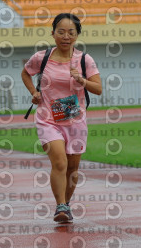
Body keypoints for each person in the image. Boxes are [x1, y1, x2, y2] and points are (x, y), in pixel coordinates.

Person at [21, 13, 102, 223]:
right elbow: (25, 73)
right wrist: (34, 92)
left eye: (71, 32)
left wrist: (82, 80)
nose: (66, 36)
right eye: (61, 32)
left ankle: (66, 203)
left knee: (73, 168)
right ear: (53, 33)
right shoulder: (42, 57)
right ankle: (60, 206)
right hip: (48, 119)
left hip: (75, 120)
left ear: (77, 35)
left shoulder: (84, 60)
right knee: (59, 162)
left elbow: (98, 89)